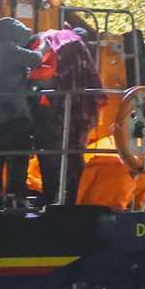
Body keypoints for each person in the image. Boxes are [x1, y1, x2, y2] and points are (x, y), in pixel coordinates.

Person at [30, 27, 103, 205]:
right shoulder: (81, 55)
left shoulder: (49, 42)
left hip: (55, 111)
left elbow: (44, 71)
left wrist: (30, 77)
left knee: (51, 154)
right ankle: (72, 198)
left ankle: (53, 196)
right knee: (73, 154)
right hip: (80, 110)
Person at [0, 17, 42, 209]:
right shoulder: (9, 48)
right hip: (15, 113)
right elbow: (36, 60)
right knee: (18, 157)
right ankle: (16, 196)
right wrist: (46, 46)